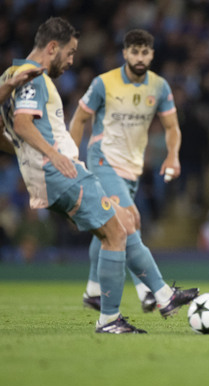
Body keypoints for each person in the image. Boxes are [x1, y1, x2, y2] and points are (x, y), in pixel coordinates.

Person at [0, 17, 197, 334]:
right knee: (117, 231)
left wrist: (24, 151)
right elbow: (23, 123)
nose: (72, 60)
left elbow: (10, 131)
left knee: (120, 223)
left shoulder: (11, 77)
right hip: (61, 170)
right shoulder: (33, 77)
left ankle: (159, 295)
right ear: (53, 47)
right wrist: (53, 155)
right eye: (70, 52)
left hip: (48, 173)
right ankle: (110, 318)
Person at [69, 29, 183, 313]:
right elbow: (80, 118)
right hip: (103, 161)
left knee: (111, 229)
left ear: (152, 54)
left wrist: (172, 155)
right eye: (135, 52)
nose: (140, 57)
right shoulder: (103, 84)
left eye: (145, 52)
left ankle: (95, 291)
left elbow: (171, 127)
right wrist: (72, 157)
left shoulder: (159, 87)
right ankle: (159, 292)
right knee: (129, 222)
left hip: (132, 169)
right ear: (125, 53)